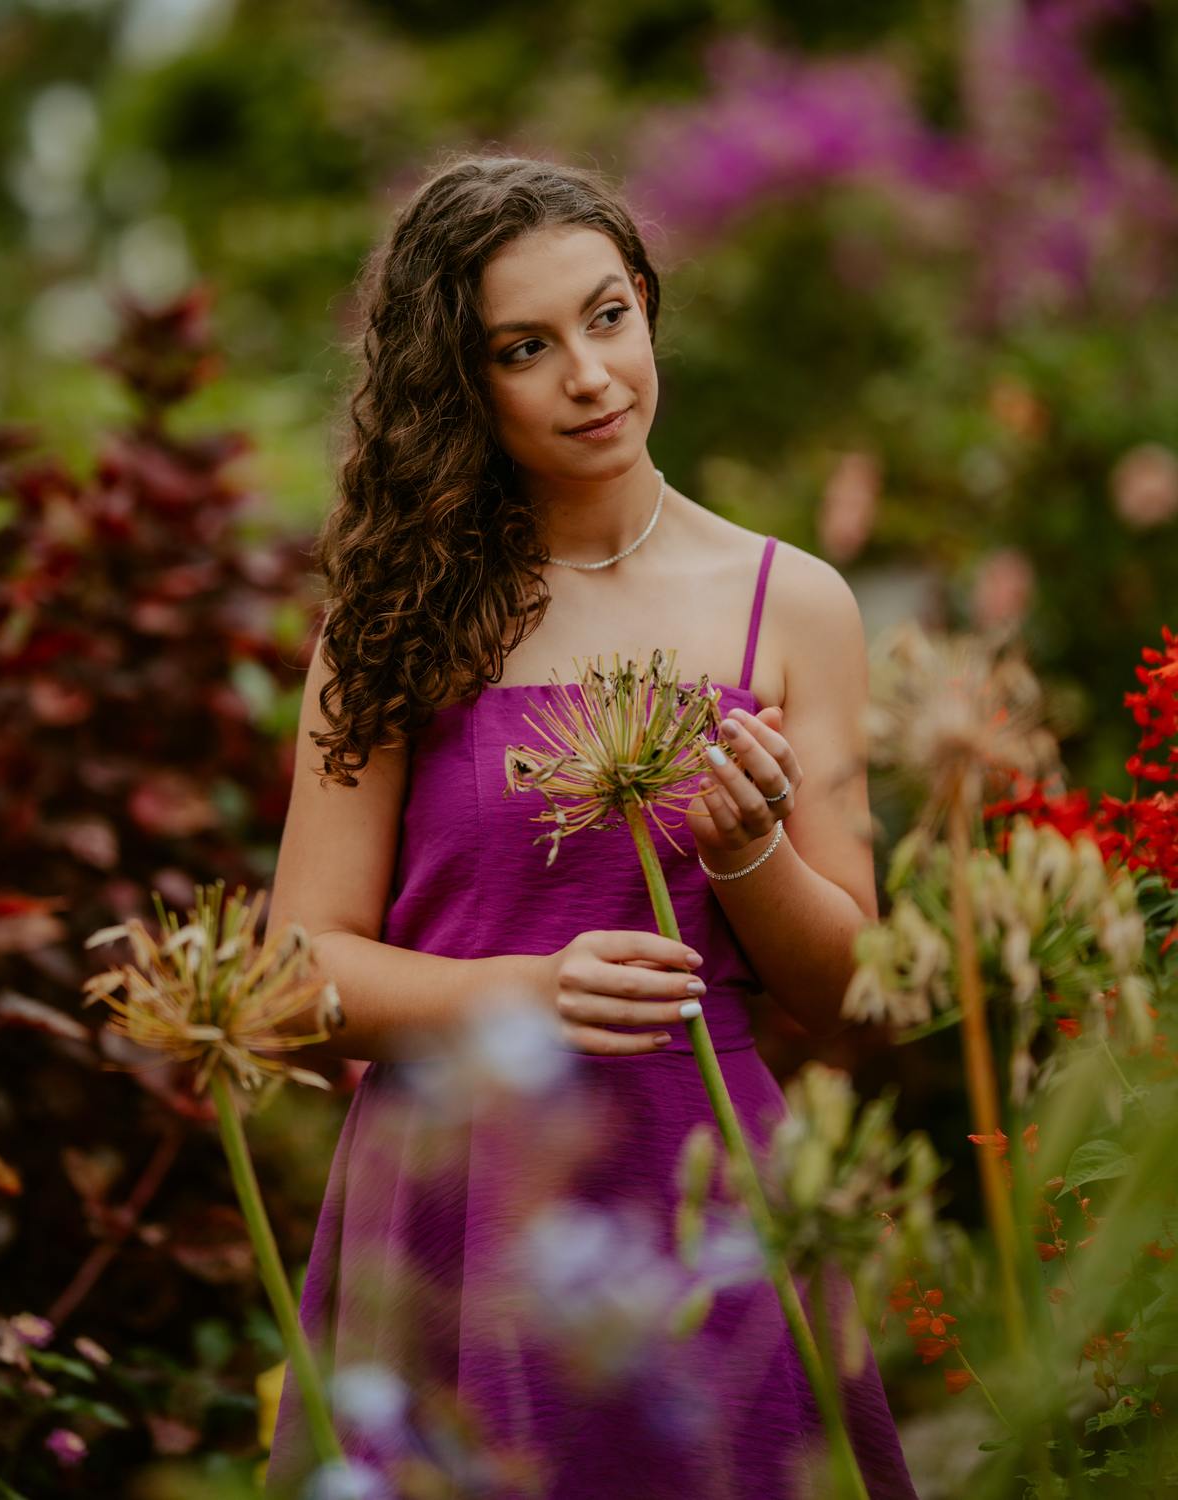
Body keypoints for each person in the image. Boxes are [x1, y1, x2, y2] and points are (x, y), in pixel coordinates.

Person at [265, 155, 915, 1499]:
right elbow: (296, 971)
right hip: (450, 1203)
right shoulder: (393, 619)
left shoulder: (793, 606)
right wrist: (518, 996)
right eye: (526, 346)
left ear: (650, 308)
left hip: (701, 1191)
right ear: (463, 382)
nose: (591, 376)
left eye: (608, 316)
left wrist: (749, 854)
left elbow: (859, 991)